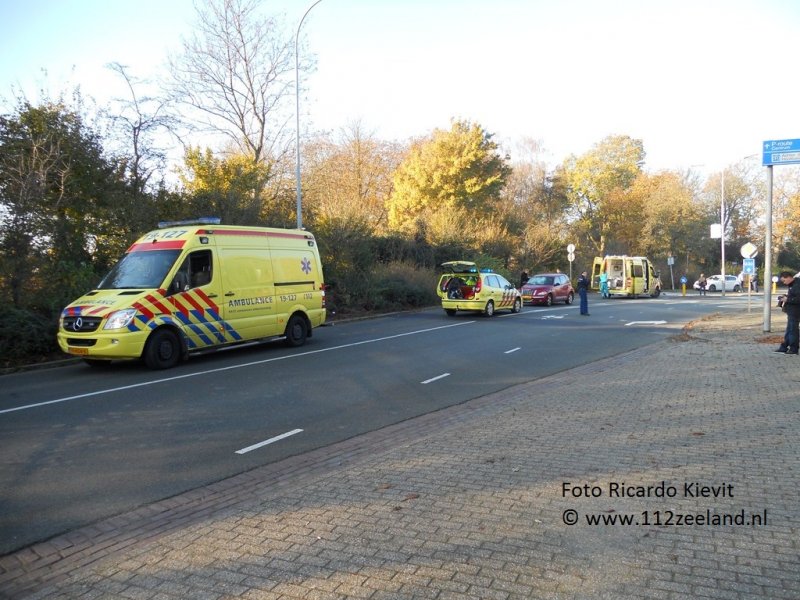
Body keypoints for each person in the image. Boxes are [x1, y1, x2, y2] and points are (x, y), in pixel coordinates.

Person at [774, 271, 800, 354]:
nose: (784, 283)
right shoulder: (792, 285)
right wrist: (786, 296)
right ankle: (784, 346)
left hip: (795, 311)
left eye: (784, 281)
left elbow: (798, 298)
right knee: (789, 330)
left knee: (793, 330)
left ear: (788, 277)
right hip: (792, 310)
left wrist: (787, 299)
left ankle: (793, 348)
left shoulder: (797, 285)